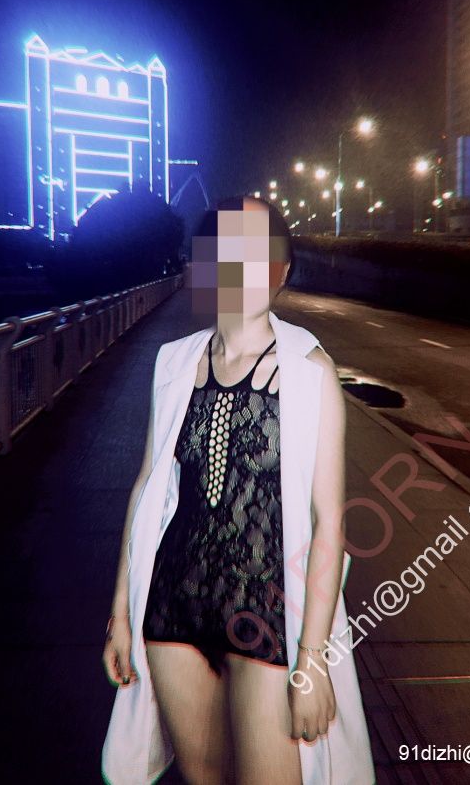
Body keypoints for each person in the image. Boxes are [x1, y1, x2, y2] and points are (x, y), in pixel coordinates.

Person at [102, 194, 374, 785]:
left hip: (269, 613)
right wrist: (120, 614)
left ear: (281, 269)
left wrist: (313, 661)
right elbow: (147, 488)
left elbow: (329, 522)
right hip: (174, 605)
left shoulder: (310, 371)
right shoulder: (173, 363)